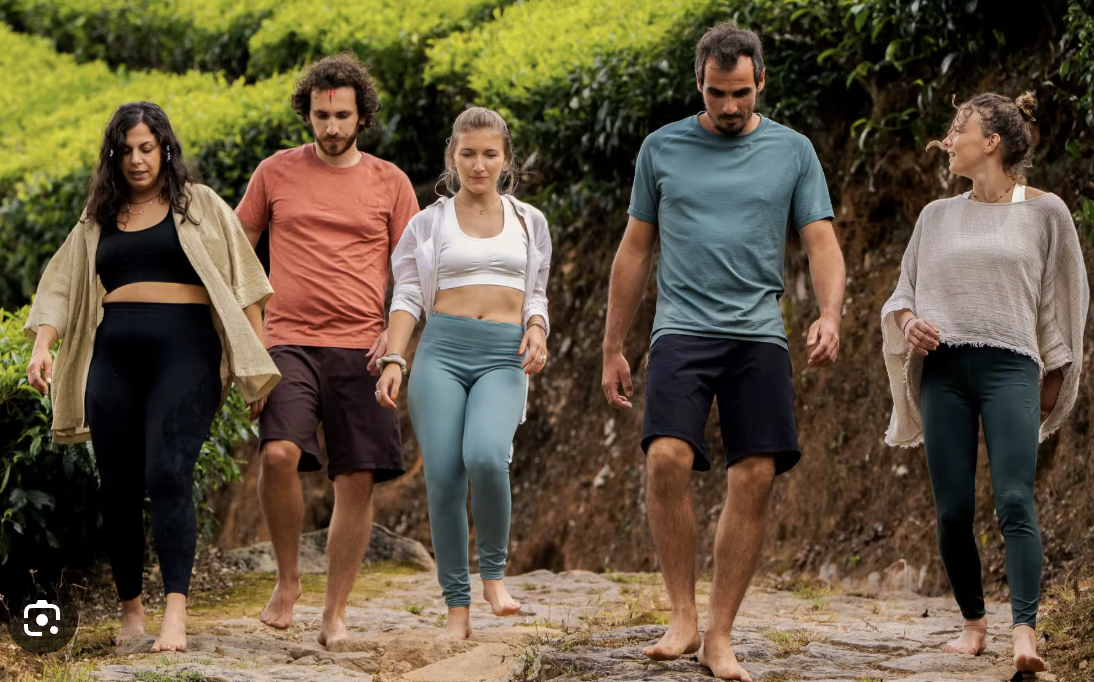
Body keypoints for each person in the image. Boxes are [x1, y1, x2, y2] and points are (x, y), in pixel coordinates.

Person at [601, 22, 845, 681]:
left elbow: (820, 241)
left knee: (755, 474)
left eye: (740, 93)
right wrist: (612, 346)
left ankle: (720, 633)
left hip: (758, 332)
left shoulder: (793, 152)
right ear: (699, 85)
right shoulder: (661, 149)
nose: (729, 106)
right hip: (681, 328)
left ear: (761, 82)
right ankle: (681, 616)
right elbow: (634, 249)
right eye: (716, 94)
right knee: (666, 458)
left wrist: (829, 313)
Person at [23, 102, 279, 653]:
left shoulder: (200, 205)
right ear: (112, 156)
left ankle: (175, 615)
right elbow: (61, 287)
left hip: (186, 353)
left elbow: (246, 285)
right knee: (116, 489)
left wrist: (256, 370)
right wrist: (43, 346)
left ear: (164, 149)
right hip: (113, 357)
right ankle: (131, 612)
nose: (138, 160)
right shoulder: (97, 217)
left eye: (147, 148)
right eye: (126, 150)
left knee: (167, 473)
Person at [881, 91, 1088, 674]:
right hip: (943, 372)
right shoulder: (935, 216)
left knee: (1015, 499)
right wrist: (909, 322)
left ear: (991, 141)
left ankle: (1024, 633)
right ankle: (973, 624)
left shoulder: (1046, 211)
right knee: (951, 510)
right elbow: (902, 294)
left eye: (958, 129)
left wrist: (1059, 370)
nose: (949, 139)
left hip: (1012, 368)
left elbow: (1067, 300)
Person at [234, 53, 420, 648]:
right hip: (286, 341)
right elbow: (237, 256)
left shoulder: (391, 182)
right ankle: (288, 581)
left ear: (361, 116)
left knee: (356, 479)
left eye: (342, 115)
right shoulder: (274, 173)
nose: (331, 126)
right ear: (307, 114)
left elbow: (412, 274)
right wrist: (253, 340)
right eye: (321, 115)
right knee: (280, 455)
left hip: (361, 348)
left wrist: (394, 343)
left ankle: (335, 612)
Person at [377, 107, 551, 641]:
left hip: (504, 355)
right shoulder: (427, 223)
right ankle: (457, 609)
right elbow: (407, 294)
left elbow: (535, 289)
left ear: (505, 158)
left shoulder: (529, 221)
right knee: (444, 478)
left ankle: (494, 577)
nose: (479, 164)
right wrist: (394, 358)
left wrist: (538, 328)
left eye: (490, 154)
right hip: (442, 353)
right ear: (453, 156)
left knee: (484, 456)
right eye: (468, 153)